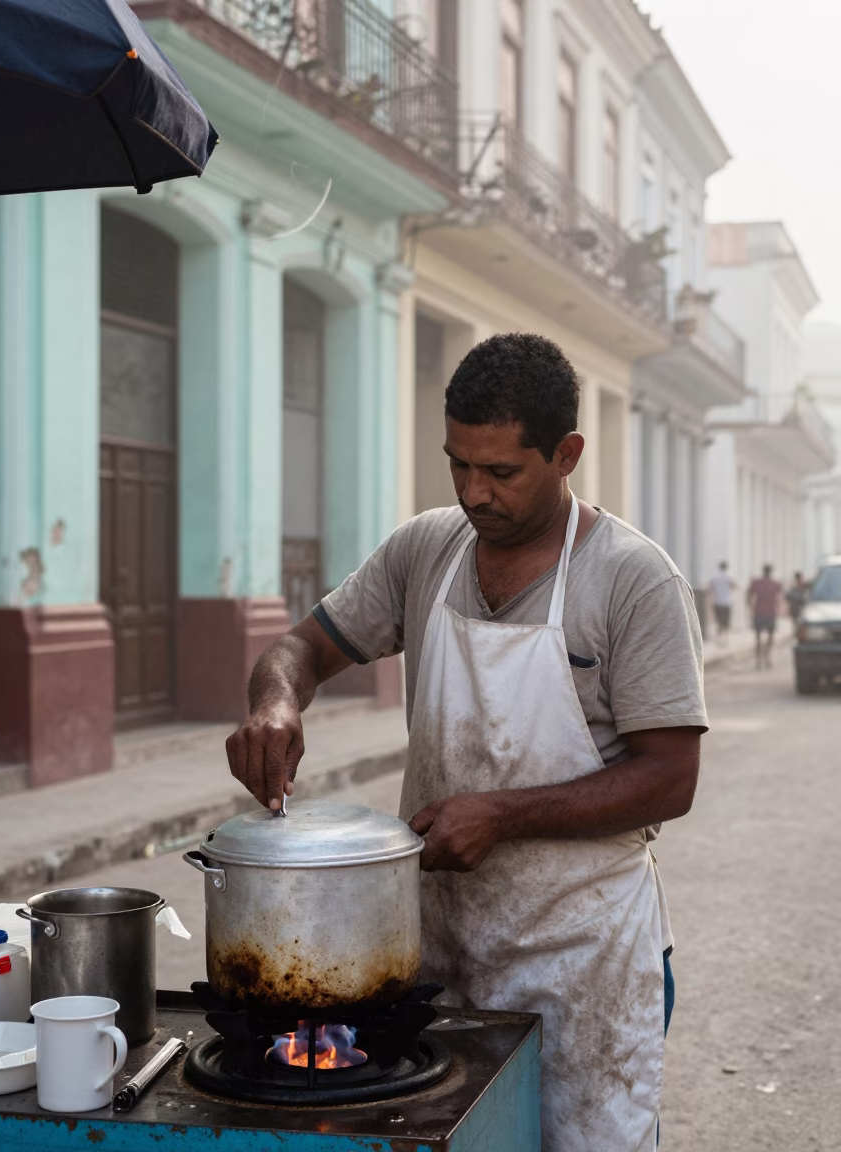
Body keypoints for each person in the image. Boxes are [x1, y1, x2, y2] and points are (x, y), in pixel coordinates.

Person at [226, 334, 707, 1152]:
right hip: (438, 947)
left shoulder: (633, 579)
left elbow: (671, 778)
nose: (474, 493)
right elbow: (299, 650)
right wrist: (274, 704)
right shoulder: (426, 549)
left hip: (583, 955)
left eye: (502, 472)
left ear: (567, 454)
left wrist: (504, 815)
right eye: (458, 465)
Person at [747, 563, 784, 669]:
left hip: (761, 612)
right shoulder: (774, 584)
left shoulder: (758, 583)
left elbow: (749, 596)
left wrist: (750, 608)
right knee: (767, 637)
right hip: (767, 613)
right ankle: (764, 657)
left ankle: (761, 658)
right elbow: (779, 598)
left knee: (759, 638)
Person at [708, 561, 734, 644]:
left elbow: (710, 588)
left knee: (718, 621)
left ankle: (718, 638)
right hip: (726, 602)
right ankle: (726, 639)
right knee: (726, 621)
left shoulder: (714, 577)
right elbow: (733, 586)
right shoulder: (728, 577)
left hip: (717, 601)